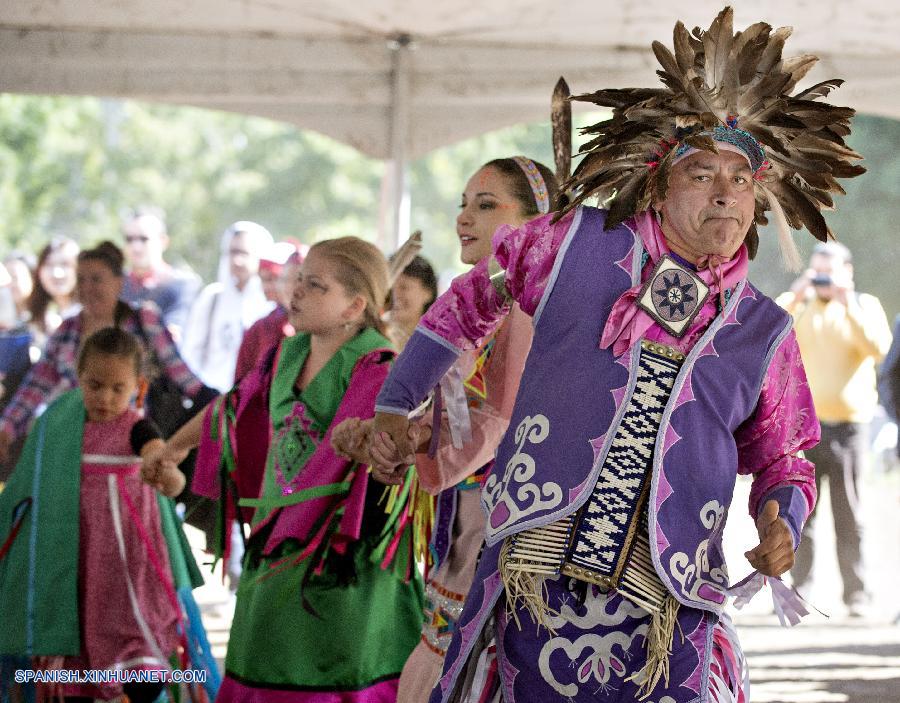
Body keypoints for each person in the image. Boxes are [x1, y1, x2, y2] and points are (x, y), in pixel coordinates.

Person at [368, 9, 866, 702]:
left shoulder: (762, 331)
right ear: (659, 185)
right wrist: (397, 402)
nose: (725, 191)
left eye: (741, 179)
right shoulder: (576, 246)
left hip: (670, 601)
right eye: (701, 172)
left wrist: (783, 517)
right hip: (536, 579)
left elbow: (786, 456)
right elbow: (467, 303)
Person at [144, 236, 424, 702]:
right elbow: (228, 410)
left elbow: (390, 455)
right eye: (300, 279)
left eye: (316, 285)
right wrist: (171, 448)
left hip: (342, 558)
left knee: (334, 670)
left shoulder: (379, 365)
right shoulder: (285, 355)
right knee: (261, 663)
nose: (296, 291)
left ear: (354, 305)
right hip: (277, 544)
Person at [334, 157, 556, 703]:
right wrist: (392, 436)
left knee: (482, 661)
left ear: (534, 221)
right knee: (450, 651)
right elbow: (459, 406)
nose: (464, 218)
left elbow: (502, 418)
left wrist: (412, 442)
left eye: (485, 205)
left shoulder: (527, 303)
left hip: (512, 522)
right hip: (468, 517)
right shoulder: (476, 300)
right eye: (462, 204)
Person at [0, 328, 206, 703]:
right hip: (76, 565)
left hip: (128, 568)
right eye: (95, 385)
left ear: (136, 385)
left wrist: (169, 476)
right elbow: (30, 486)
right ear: (78, 376)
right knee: (78, 658)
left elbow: (166, 470)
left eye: (117, 387)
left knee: (139, 659)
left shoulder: (137, 429)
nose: (106, 398)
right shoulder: (60, 431)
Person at [0, 242, 212, 465]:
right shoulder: (67, 329)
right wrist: (6, 428)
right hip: (70, 443)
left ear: (119, 282)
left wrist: (220, 405)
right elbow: (36, 385)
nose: (87, 287)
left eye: (96, 279)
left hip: (134, 443)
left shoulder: (143, 319)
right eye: (81, 279)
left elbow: (182, 375)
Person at [778, 242, 892, 615]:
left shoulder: (865, 306)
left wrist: (848, 304)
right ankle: (801, 590)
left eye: (830, 272)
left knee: (850, 515)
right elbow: (770, 333)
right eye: (817, 272)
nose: (823, 279)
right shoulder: (801, 306)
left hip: (850, 428)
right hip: (804, 430)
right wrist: (799, 293)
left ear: (847, 272)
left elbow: (880, 350)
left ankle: (856, 594)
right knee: (803, 514)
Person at [180, 221, 275, 392]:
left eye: (244, 253)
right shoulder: (212, 298)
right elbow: (191, 353)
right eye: (232, 252)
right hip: (209, 398)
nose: (237, 260)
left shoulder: (270, 304)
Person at [121, 207, 202, 340]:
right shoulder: (114, 284)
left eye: (144, 239)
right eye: (129, 239)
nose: (136, 247)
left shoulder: (182, 284)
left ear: (163, 241)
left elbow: (173, 335)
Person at [232, 243, 307, 383]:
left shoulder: (326, 332)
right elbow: (241, 388)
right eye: (285, 280)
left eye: (300, 280)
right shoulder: (261, 329)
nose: (292, 288)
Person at [27, 236, 80, 345]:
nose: (56, 273)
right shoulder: (35, 317)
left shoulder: (88, 315)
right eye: (49, 265)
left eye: (65, 264)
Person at [386, 254, 438, 352]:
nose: (394, 294)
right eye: (390, 287)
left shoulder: (438, 344)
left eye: (404, 287)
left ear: (428, 293)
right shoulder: (369, 335)